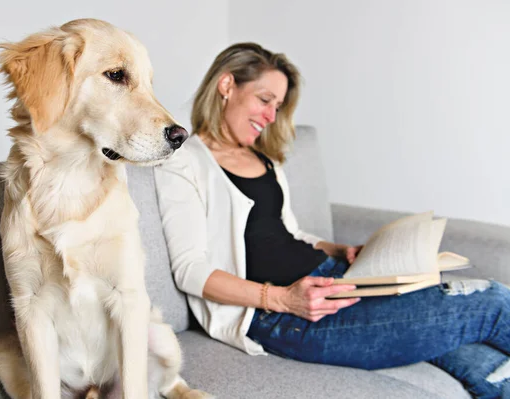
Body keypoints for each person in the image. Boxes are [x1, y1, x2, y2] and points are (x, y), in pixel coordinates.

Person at [153, 42, 510, 398]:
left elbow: (291, 233)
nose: (271, 116)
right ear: (227, 85)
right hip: (284, 316)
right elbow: (190, 270)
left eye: (277, 106)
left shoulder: (266, 161)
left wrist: (338, 250)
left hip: (337, 280)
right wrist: (281, 299)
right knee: (492, 301)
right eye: (265, 100)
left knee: (490, 369)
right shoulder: (185, 162)